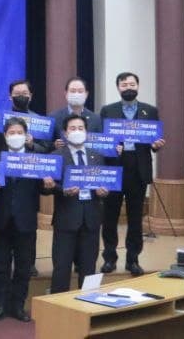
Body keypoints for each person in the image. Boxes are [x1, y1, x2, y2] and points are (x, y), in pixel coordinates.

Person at [98, 72, 164, 276]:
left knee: (136, 218)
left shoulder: (150, 111)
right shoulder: (107, 110)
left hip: (138, 169)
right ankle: (109, 258)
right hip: (114, 169)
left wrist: (156, 145)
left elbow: (154, 140)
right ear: (118, 87)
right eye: (124, 84)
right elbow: (101, 140)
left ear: (138, 86)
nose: (128, 87)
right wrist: (110, 148)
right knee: (110, 217)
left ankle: (133, 260)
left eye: (132, 84)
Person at [0, 118, 44, 322]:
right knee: (0, 265)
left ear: (26, 135)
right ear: (5, 136)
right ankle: (0, 305)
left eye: (19, 132)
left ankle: (18, 306)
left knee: (23, 266)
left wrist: (47, 184)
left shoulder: (36, 159)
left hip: (26, 219)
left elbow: (44, 189)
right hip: (1, 218)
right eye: (11, 132)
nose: (15, 136)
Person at [47, 115, 109, 293]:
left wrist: (104, 191)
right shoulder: (56, 156)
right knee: (61, 267)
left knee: (89, 267)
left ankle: (88, 303)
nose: (77, 131)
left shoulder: (97, 156)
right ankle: (58, 303)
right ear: (65, 133)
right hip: (66, 219)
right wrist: (62, 190)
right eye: (72, 128)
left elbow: (105, 183)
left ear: (86, 132)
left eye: (80, 128)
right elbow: (46, 188)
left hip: (91, 219)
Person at [49, 77, 103, 146]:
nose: (76, 94)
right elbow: (45, 145)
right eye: (73, 91)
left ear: (86, 94)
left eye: (80, 91)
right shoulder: (53, 117)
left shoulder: (96, 119)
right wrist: (54, 145)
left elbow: (100, 145)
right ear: (66, 94)